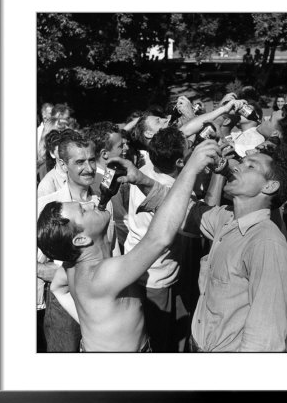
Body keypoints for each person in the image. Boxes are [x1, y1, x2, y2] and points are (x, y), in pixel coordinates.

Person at [37, 140, 220, 352]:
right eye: (84, 211)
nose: (91, 203)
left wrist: (91, 319)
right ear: (80, 240)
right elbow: (159, 238)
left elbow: (59, 289)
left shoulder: (71, 267)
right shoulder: (104, 274)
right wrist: (190, 169)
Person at [133, 146, 287, 352]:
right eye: (242, 161)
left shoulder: (266, 244)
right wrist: (141, 179)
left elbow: (264, 338)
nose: (237, 167)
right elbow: (185, 210)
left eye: (251, 166)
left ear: (270, 186)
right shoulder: (227, 218)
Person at [37, 136, 119, 352]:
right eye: (80, 162)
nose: (89, 168)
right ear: (63, 165)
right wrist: (58, 274)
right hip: (64, 302)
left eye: (92, 160)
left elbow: (112, 248)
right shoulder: (46, 205)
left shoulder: (104, 202)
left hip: (103, 300)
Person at [124, 126, 191, 351]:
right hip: (157, 277)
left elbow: (184, 132)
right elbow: (193, 225)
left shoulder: (148, 167)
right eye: (190, 148)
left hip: (136, 266)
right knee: (160, 341)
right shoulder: (175, 191)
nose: (193, 146)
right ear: (180, 163)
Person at [83, 121, 129, 252]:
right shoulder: (99, 185)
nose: (126, 148)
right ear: (104, 154)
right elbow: (118, 222)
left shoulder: (109, 174)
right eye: (121, 146)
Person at [38, 129, 82, 197]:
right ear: (52, 153)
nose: (66, 154)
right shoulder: (47, 185)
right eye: (60, 151)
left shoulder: (82, 174)